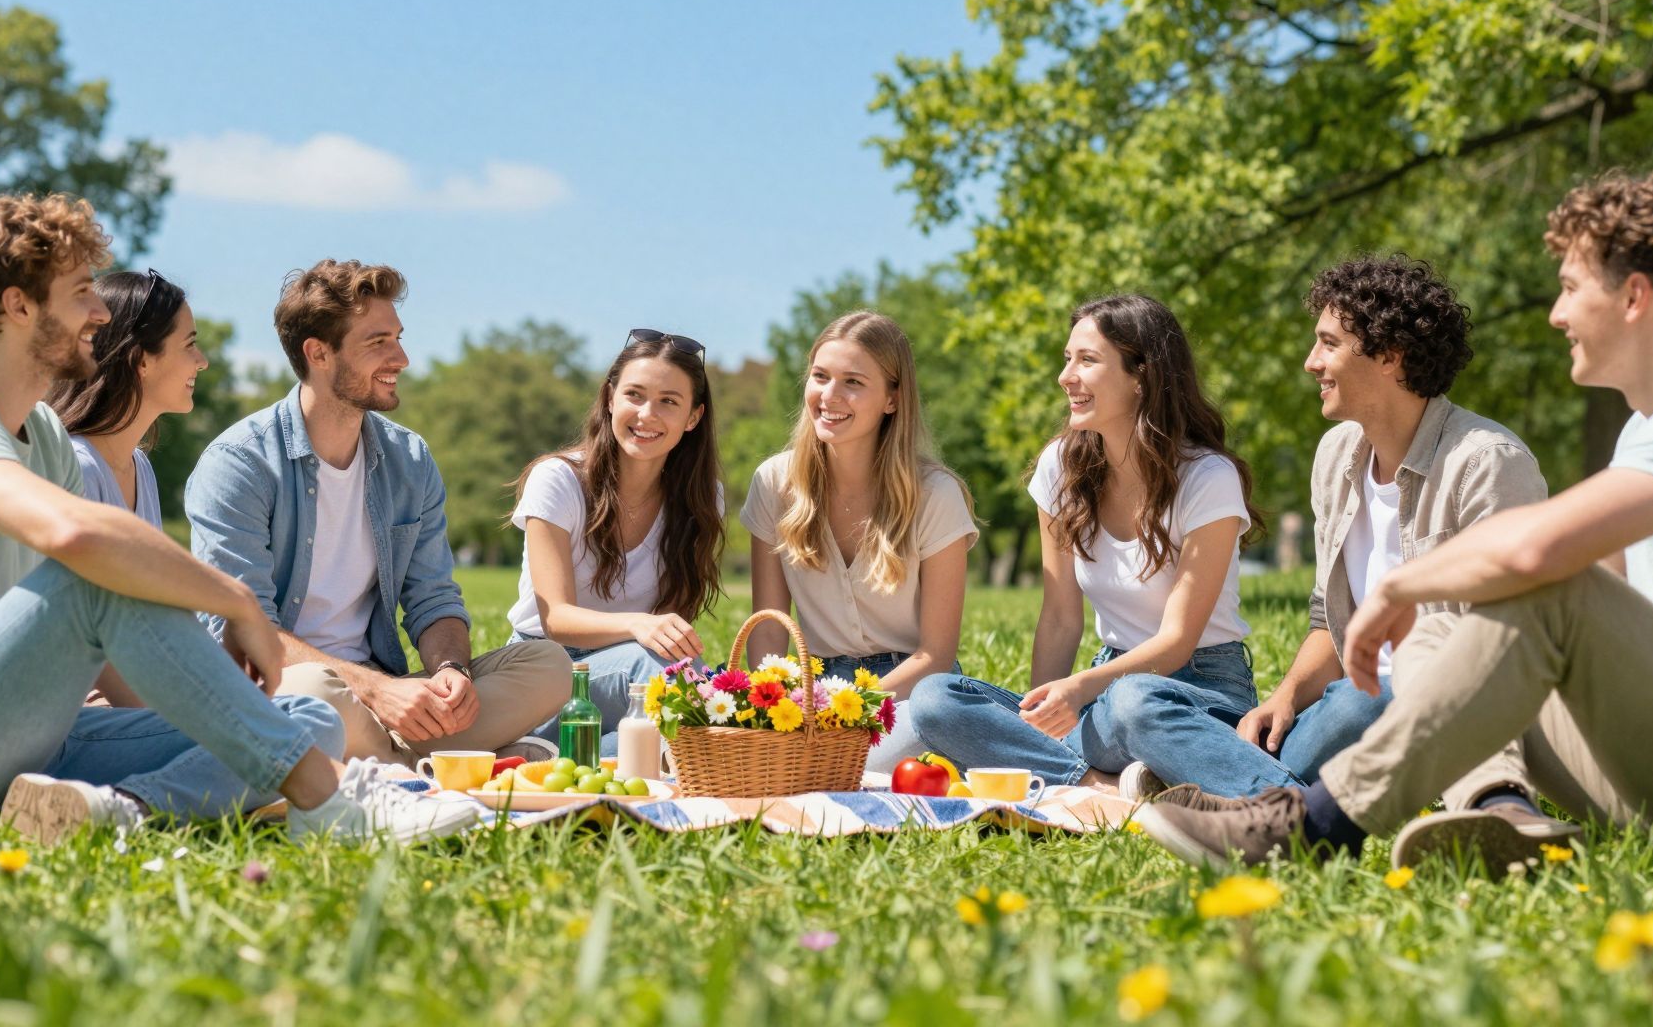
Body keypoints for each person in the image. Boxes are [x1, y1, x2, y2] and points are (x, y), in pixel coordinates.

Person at [1139, 170, 1653, 871]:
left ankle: (1314, 826)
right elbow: (1613, 606)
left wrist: (1401, 585)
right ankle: (1500, 809)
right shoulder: (1651, 429)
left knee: (1548, 584)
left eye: (1572, 287)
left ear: (1635, 296)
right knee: (1448, 627)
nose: (1556, 313)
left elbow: (1544, 559)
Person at [0, 193, 482, 844]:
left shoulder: (45, 438)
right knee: (98, 572)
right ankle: (329, 801)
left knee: (305, 717)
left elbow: (112, 655)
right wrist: (235, 602)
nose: (100, 311)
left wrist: (231, 726)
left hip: (32, 742)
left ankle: (124, 811)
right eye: (81, 291)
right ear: (19, 306)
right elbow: (75, 541)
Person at [1116, 258, 1561, 831]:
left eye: (1328, 344)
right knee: (1136, 702)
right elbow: (1330, 620)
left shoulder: (1487, 463)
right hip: (1345, 706)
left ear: (1389, 355)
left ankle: (1227, 786)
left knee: (1362, 698)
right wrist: (1286, 697)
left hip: (1439, 706)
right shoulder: (1337, 456)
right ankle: (1272, 793)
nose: (1312, 363)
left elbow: (1506, 641)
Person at [186, 259, 568, 766]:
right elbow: (246, 631)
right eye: (378, 342)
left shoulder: (410, 460)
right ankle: (435, 763)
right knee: (319, 696)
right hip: (285, 690)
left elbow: (433, 598)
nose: (402, 358)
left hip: (385, 697)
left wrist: (451, 670)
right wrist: (375, 692)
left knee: (549, 664)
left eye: (398, 337)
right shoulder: (239, 464)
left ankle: (391, 762)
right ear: (318, 353)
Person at [906, 294, 1265, 793]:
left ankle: (1095, 773)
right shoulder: (1061, 467)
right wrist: (1039, 712)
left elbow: (1179, 638)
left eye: (1087, 360)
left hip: (1199, 687)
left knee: (1132, 703)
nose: (1065, 376)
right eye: (1067, 359)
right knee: (935, 700)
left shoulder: (1207, 477)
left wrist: (1078, 691)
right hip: (1103, 690)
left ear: (1141, 377)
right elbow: (1059, 618)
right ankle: (1100, 784)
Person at [740, 311, 977, 773]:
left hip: (906, 690)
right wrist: (771, 706)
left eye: (853, 382)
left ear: (892, 398)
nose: (829, 396)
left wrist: (845, 710)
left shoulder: (935, 494)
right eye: (820, 376)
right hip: (814, 688)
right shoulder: (774, 482)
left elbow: (936, 656)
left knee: (890, 740)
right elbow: (769, 630)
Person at [509, 329, 726, 754]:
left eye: (669, 401)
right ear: (610, 399)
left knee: (687, 690)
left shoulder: (701, 498)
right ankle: (548, 744)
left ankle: (550, 755)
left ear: (693, 417)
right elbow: (557, 620)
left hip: (636, 667)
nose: (647, 414)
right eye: (634, 395)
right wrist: (638, 624)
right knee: (666, 680)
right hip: (543, 669)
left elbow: (671, 630)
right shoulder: (559, 480)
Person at [45, 269, 209, 708]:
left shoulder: (139, 468)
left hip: (135, 695)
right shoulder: (74, 468)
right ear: (141, 360)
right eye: (190, 344)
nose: (202, 361)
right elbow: (77, 634)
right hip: (70, 706)